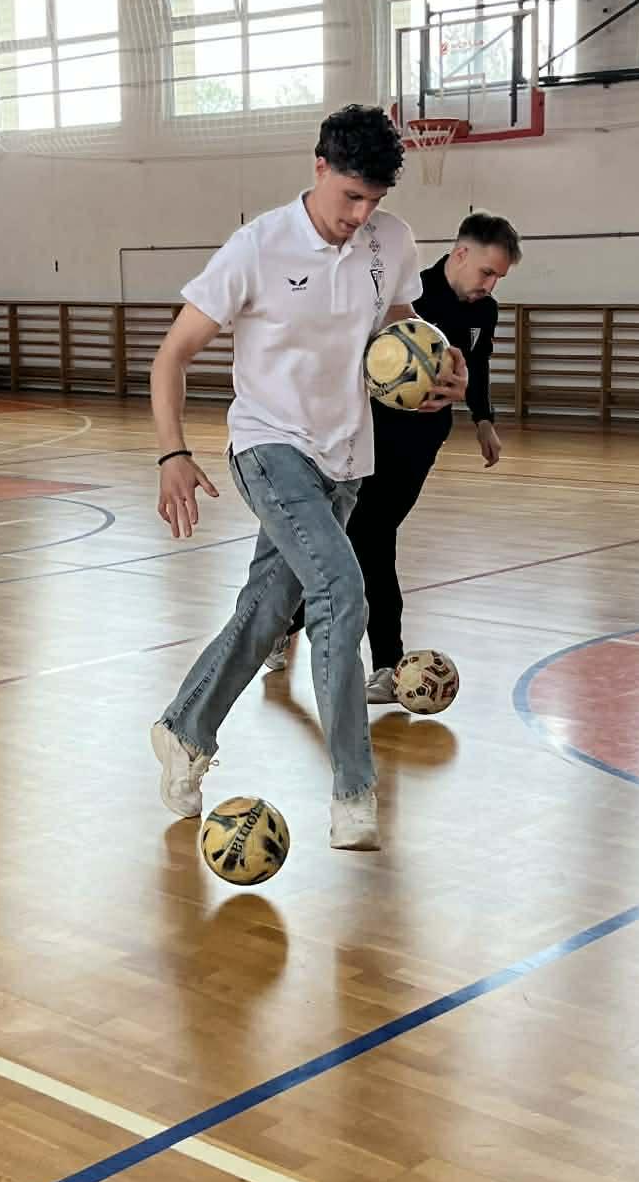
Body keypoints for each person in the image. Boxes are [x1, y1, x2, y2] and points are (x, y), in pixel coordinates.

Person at [147, 105, 466, 853]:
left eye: (374, 201)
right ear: (319, 167)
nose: (360, 216)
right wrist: (172, 453)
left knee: (267, 610)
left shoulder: (391, 239)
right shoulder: (257, 247)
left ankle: (184, 728)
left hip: (345, 457)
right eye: (350, 196)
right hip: (268, 446)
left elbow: (399, 329)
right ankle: (354, 791)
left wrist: (439, 368)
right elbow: (173, 354)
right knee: (340, 590)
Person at [265, 212, 521, 703]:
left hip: (422, 443)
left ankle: (292, 628)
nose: (490, 285)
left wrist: (484, 421)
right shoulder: (407, 295)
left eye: (499, 278)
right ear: (460, 254)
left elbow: (477, 366)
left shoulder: (484, 312)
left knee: (369, 538)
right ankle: (380, 660)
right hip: (369, 435)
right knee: (367, 539)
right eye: (487, 272)